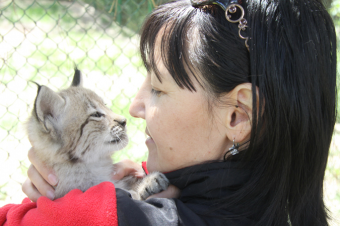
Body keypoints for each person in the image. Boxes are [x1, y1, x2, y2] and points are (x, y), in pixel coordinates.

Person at [0, 0, 336, 225]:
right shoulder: (272, 199)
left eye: (159, 89)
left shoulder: (115, 217)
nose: (134, 106)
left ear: (238, 116)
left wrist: (50, 207)